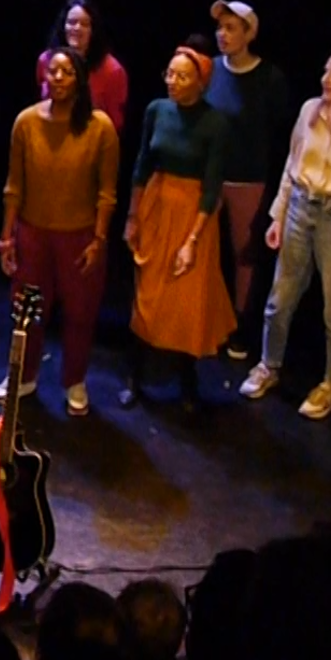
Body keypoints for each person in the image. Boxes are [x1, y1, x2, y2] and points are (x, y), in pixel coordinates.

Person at [239, 47, 331, 420]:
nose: (325, 80)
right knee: (280, 297)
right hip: (301, 205)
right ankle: (269, 364)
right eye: (325, 72)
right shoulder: (309, 110)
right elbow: (291, 164)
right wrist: (278, 217)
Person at [0, 47, 120, 415]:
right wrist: (7, 237)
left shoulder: (100, 128)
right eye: (53, 71)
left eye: (68, 72)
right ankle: (24, 375)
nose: (59, 78)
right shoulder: (26, 122)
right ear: (44, 77)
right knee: (28, 311)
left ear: (80, 80)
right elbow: (13, 186)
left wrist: (99, 239)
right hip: (33, 233)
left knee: (80, 312)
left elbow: (107, 191)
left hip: (80, 235)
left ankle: (75, 380)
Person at [121, 38, 234, 414]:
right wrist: (133, 216)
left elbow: (212, 184)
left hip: (193, 215)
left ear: (200, 81)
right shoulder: (157, 110)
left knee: (186, 300)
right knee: (147, 297)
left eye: (182, 76)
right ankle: (135, 377)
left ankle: (188, 384)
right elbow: (141, 164)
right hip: (157, 202)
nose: (172, 81)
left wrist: (192, 240)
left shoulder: (215, 123)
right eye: (169, 73)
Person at [204, 0, 290, 360]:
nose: (223, 34)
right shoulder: (209, 70)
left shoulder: (268, 78)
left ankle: (241, 328)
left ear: (249, 34)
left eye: (231, 28)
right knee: (205, 250)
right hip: (209, 176)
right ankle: (206, 323)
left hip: (248, 180)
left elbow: (281, 132)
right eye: (220, 27)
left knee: (245, 257)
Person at [36, 0, 128, 133]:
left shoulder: (112, 71)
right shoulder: (45, 61)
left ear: (93, 30)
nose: (77, 28)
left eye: (84, 24)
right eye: (72, 22)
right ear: (63, 26)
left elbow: (115, 125)